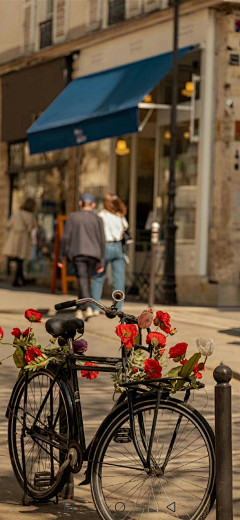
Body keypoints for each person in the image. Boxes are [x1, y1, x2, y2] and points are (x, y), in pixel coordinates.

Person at [58, 193, 105, 321]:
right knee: (83, 280)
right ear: (93, 205)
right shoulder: (98, 219)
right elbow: (102, 240)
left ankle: (87, 307)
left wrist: (60, 255)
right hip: (94, 254)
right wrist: (102, 260)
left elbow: (65, 237)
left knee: (82, 279)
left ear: (80, 203)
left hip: (78, 252)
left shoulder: (73, 217)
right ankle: (78, 309)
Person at [91, 194, 129, 315]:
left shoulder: (101, 215)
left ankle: (95, 306)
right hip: (118, 246)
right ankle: (118, 307)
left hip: (105, 246)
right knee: (119, 279)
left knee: (98, 277)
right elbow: (126, 227)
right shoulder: (120, 216)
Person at [3, 198, 35, 287]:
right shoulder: (30, 215)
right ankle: (19, 279)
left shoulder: (17, 213)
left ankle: (19, 279)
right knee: (20, 260)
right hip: (23, 238)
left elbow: (9, 224)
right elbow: (30, 228)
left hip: (15, 237)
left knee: (18, 260)